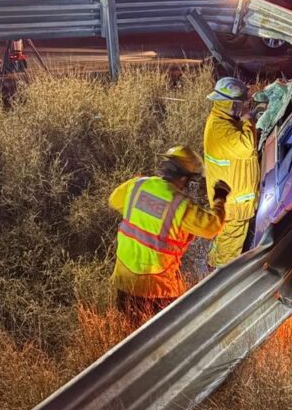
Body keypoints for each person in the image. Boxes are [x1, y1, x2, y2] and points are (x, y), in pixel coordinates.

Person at [109, 145, 230, 319]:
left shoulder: (136, 185)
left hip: (124, 283)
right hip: (155, 290)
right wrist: (220, 198)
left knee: (130, 336)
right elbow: (211, 227)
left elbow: (114, 200)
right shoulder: (179, 204)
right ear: (183, 178)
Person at [203, 76, 261, 267]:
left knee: (223, 244)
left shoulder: (221, 120)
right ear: (232, 104)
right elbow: (247, 147)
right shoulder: (221, 129)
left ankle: (210, 269)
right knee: (226, 261)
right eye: (241, 104)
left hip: (230, 202)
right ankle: (219, 291)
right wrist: (248, 121)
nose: (243, 107)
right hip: (234, 207)